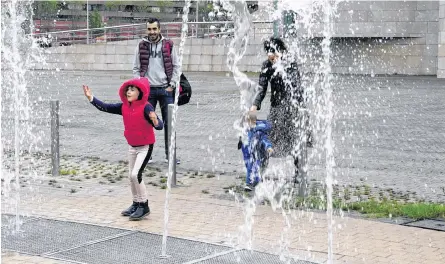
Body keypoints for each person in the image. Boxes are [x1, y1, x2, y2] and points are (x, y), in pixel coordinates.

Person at [82, 77, 163, 221]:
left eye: (132, 90)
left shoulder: (146, 107)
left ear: (140, 92)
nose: (129, 92)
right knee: (131, 177)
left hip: (145, 147)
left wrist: (155, 120)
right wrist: (91, 98)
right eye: (128, 90)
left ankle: (144, 206)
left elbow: (159, 125)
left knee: (135, 175)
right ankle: (136, 203)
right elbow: (105, 107)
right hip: (132, 147)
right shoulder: (124, 107)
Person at [250, 37, 310, 185]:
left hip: (293, 110)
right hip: (276, 110)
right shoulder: (266, 65)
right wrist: (254, 105)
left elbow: (296, 88)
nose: (270, 55)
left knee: (296, 142)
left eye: (274, 52)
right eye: (268, 52)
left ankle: (299, 174)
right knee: (267, 141)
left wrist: (299, 111)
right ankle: (260, 172)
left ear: (281, 51)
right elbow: (261, 89)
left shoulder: (290, 64)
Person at [133, 17, 181, 164]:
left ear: (159, 29)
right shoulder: (141, 45)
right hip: (147, 92)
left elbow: (176, 66)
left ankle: (170, 155)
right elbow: (135, 68)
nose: (152, 32)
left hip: (166, 90)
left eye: (154, 29)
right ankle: (147, 156)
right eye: (149, 29)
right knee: (146, 123)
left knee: (169, 124)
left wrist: (172, 85)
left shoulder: (168, 45)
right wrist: (140, 87)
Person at [238, 111, 273, 191]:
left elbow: (265, 140)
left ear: (253, 122)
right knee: (249, 166)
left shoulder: (259, 131)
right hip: (249, 153)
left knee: (253, 166)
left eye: (246, 123)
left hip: (258, 154)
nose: (245, 126)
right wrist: (241, 142)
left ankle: (249, 184)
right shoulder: (247, 129)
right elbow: (244, 138)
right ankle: (256, 180)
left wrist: (268, 147)